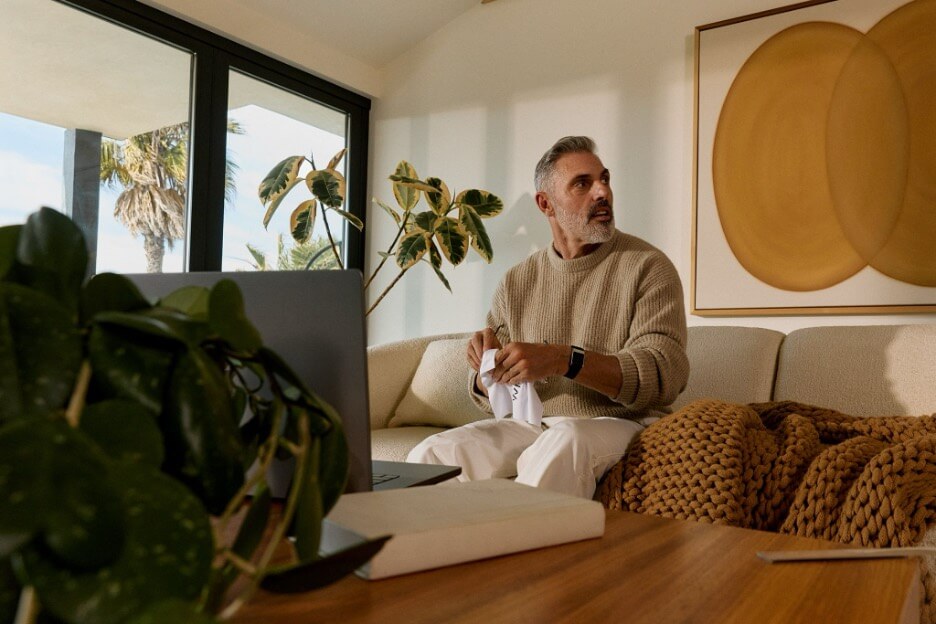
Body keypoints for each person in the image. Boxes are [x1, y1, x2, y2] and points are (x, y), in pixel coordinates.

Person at [407, 136, 689, 499]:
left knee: (563, 442)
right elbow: (491, 396)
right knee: (429, 454)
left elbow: (664, 375)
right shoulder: (517, 280)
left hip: (625, 424)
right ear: (546, 204)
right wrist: (484, 370)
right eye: (583, 184)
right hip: (533, 425)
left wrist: (563, 360)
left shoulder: (649, 267)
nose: (602, 192)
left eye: (604, 179)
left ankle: (520, 555)